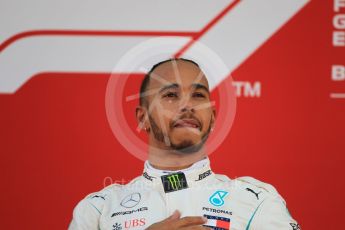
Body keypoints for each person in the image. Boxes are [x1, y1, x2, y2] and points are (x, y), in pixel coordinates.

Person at [69, 58, 300, 230]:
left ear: (212, 118)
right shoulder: (99, 209)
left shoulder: (256, 201)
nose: (188, 106)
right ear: (143, 118)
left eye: (199, 96)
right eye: (171, 95)